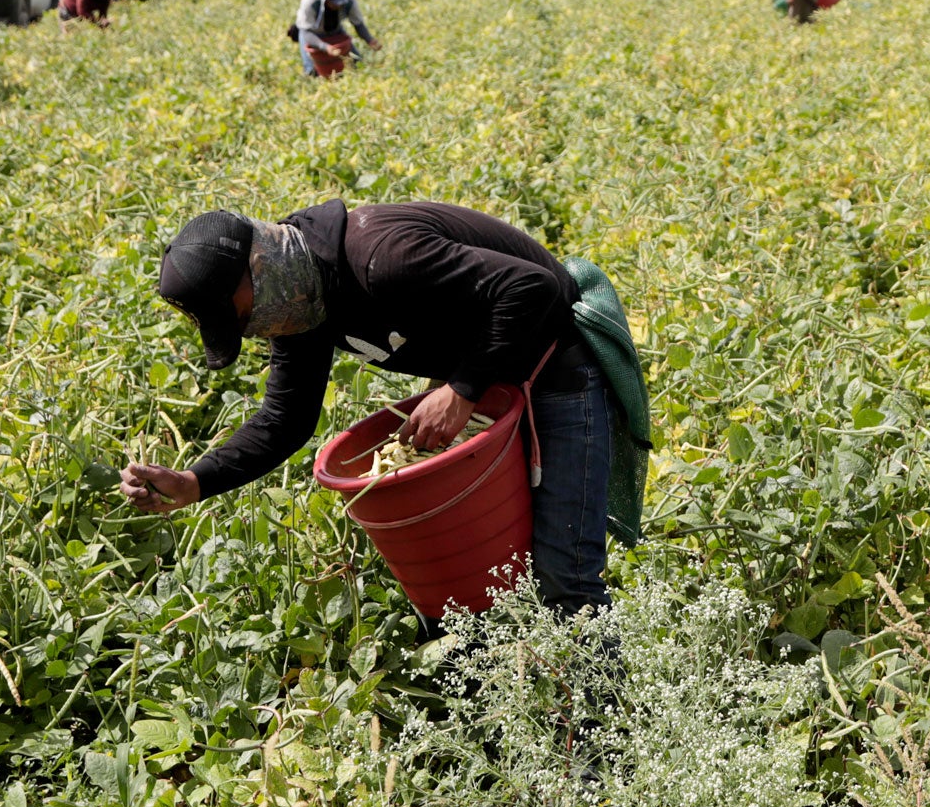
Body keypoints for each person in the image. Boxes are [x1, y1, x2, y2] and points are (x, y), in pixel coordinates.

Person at [121, 201, 649, 619]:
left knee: (565, 576)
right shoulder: (301, 303)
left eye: (244, 316)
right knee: (487, 572)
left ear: (260, 267)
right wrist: (196, 481)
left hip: (559, 371)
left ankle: (606, 746)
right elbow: (286, 420)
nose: (257, 330)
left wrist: (461, 390)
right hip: (497, 383)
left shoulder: (381, 257)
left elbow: (538, 288)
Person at [293, 0, 380, 77]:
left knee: (357, 62)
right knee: (312, 71)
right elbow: (306, 33)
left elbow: (358, 24)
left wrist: (369, 40)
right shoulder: (311, 1)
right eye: (333, 3)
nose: (337, 6)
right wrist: (325, 47)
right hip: (312, 34)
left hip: (335, 31)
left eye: (340, 3)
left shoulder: (349, 0)